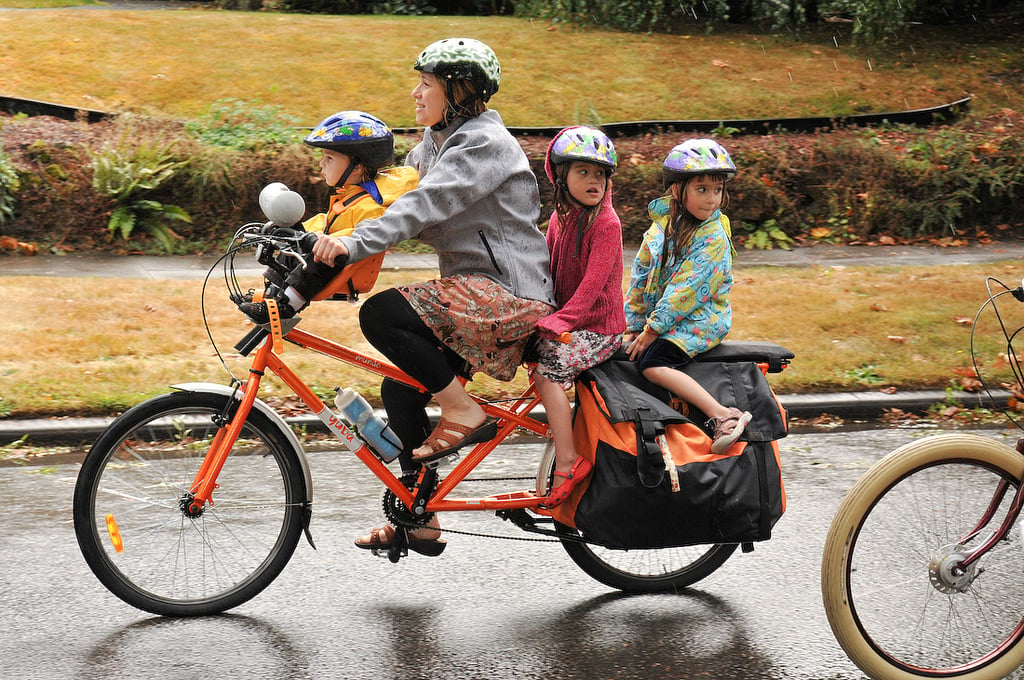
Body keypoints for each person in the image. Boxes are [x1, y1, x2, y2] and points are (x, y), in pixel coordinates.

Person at [309, 38, 556, 556]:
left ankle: (463, 412)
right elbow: (393, 191)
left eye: (427, 84)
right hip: (475, 296)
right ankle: (422, 519)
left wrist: (354, 244)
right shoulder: (436, 141)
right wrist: (313, 232)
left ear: (459, 91)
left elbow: (422, 206)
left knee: (382, 313)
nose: (415, 92)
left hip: (510, 298)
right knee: (401, 389)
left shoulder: (483, 144)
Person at [624, 138, 752, 455]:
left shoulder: (713, 235)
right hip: (666, 319)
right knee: (627, 356)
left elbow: (687, 289)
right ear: (678, 189)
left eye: (718, 190)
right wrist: (634, 324)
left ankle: (723, 415)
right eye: (702, 189)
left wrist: (653, 330)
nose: (712, 199)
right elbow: (642, 276)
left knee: (653, 364)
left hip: (701, 318)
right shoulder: (662, 226)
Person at [238, 111, 418, 323]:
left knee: (318, 256)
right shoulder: (351, 195)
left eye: (329, 158)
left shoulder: (372, 205)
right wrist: (296, 231)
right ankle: (271, 297)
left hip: (342, 265)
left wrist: (317, 240)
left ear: (357, 166)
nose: (321, 164)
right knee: (293, 246)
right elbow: (327, 222)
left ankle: (285, 306)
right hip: (332, 258)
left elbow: (363, 234)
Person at [531, 126, 626, 508]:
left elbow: (591, 287)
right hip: (570, 320)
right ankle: (561, 429)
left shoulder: (607, 224)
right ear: (561, 176)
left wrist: (562, 321)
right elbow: (549, 268)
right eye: (583, 172)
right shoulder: (559, 218)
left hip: (600, 330)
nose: (594, 181)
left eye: (600, 173)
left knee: (546, 371)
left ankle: (569, 461)